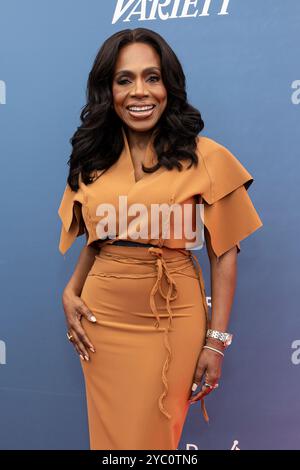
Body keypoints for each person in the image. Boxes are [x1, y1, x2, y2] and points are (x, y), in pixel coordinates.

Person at [57, 28, 263, 450]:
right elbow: (101, 240)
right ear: (108, 90)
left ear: (169, 84)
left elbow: (224, 254)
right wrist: (70, 289)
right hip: (102, 320)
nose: (140, 92)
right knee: (111, 444)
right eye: (124, 79)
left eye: (152, 77)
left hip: (171, 318)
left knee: (151, 443)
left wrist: (217, 343)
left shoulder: (205, 156)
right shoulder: (93, 159)